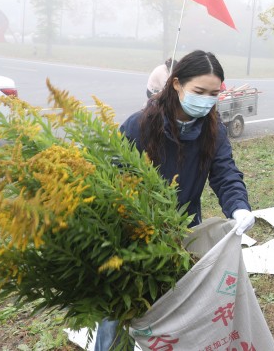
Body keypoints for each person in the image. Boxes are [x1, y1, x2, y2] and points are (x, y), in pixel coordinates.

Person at [95, 50, 256, 351]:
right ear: (177, 84)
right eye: (199, 91)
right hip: (132, 237)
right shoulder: (139, 125)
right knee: (117, 315)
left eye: (214, 94)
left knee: (178, 312)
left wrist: (239, 207)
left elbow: (225, 173)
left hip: (184, 232)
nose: (206, 100)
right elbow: (112, 179)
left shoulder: (213, 130)